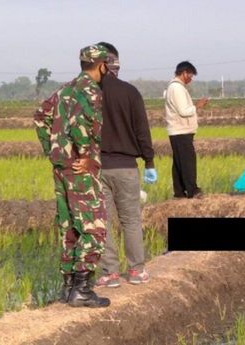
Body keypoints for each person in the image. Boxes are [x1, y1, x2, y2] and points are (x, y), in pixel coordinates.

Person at [33, 44, 110, 308]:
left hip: (62, 166)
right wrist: (85, 155)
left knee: (69, 226)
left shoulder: (64, 89)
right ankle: (82, 291)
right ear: (102, 65)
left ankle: (68, 289)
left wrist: (54, 151)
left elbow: (40, 117)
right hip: (80, 168)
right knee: (94, 227)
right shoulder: (91, 91)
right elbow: (81, 122)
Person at [88, 42, 155, 288]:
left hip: (97, 167)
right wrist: (149, 161)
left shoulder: (89, 93)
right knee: (131, 220)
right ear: (115, 64)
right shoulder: (130, 92)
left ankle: (110, 273)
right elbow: (142, 131)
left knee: (102, 221)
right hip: (126, 167)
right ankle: (137, 271)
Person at [164, 61, 209, 199]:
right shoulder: (177, 88)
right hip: (181, 130)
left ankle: (179, 192)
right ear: (184, 73)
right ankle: (192, 190)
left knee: (179, 162)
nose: (191, 78)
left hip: (178, 131)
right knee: (187, 161)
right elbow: (184, 111)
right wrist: (198, 106)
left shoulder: (176, 87)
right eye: (190, 75)